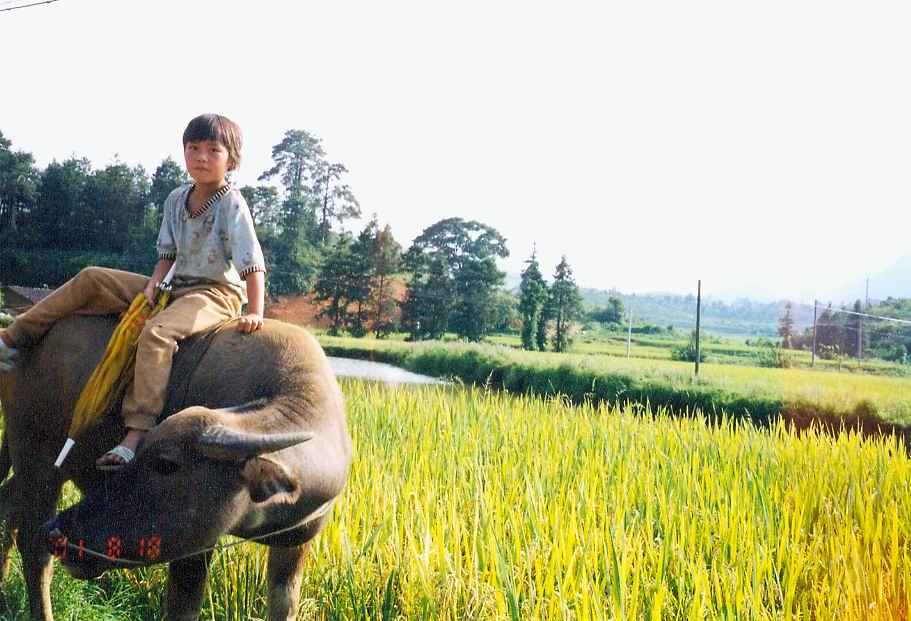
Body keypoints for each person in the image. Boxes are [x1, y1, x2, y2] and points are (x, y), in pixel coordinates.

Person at [0, 113, 267, 470]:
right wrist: (152, 288)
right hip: (174, 286)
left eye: (213, 150)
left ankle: (136, 432)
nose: (201, 156)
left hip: (215, 294)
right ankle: (13, 337)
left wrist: (255, 311)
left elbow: (253, 262)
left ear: (230, 159)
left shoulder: (231, 203)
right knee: (92, 278)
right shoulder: (176, 198)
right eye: (194, 148)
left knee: (156, 332)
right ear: (184, 151)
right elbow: (167, 256)